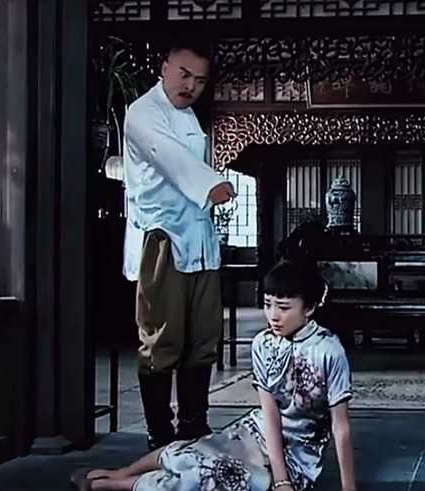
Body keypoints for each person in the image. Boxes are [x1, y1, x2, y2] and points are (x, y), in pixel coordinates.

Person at [71, 260, 357, 491]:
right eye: (267, 304)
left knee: (220, 478)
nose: (273, 316)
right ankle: (122, 473)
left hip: (298, 453)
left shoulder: (328, 351)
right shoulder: (263, 343)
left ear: (309, 308)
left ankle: (111, 485)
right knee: (198, 450)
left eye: (283, 308)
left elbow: (340, 427)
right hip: (257, 433)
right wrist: (281, 482)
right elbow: (269, 414)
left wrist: (347, 488)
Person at [122, 38, 236, 451]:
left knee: (203, 337)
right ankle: (160, 433)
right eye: (184, 75)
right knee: (163, 339)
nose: (191, 86)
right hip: (163, 236)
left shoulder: (188, 117)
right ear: (164, 67)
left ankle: (194, 426)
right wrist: (210, 184)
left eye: (200, 81)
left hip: (198, 236)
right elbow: (169, 157)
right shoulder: (143, 113)